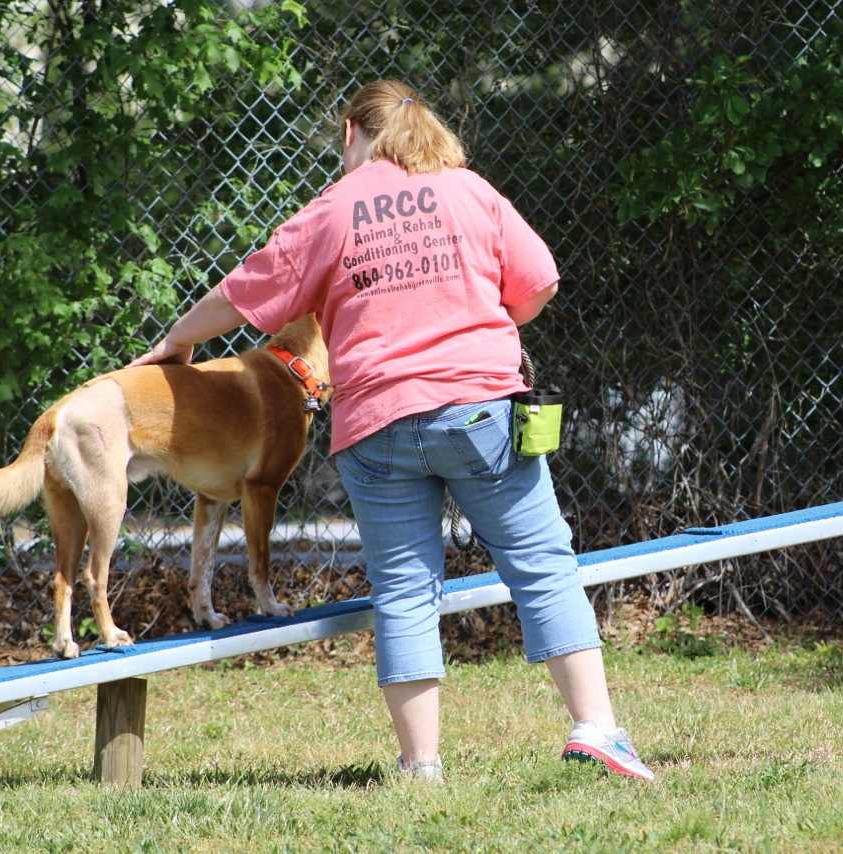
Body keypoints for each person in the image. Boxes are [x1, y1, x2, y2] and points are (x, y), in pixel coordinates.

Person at [127, 79, 654, 782]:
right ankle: (597, 728)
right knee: (540, 562)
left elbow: (245, 291)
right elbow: (539, 283)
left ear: (352, 134)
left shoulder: (333, 209)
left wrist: (175, 342)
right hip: (480, 410)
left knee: (404, 590)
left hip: (376, 422)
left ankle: (421, 765)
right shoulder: (470, 190)